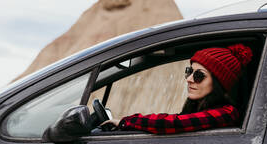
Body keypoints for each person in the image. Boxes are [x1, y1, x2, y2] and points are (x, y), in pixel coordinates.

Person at [101, 43, 253, 134]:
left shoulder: (226, 113)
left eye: (199, 75)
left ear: (219, 83)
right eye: (189, 71)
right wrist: (125, 121)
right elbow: (172, 118)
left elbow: (174, 123)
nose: (189, 79)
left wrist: (126, 122)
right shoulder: (200, 108)